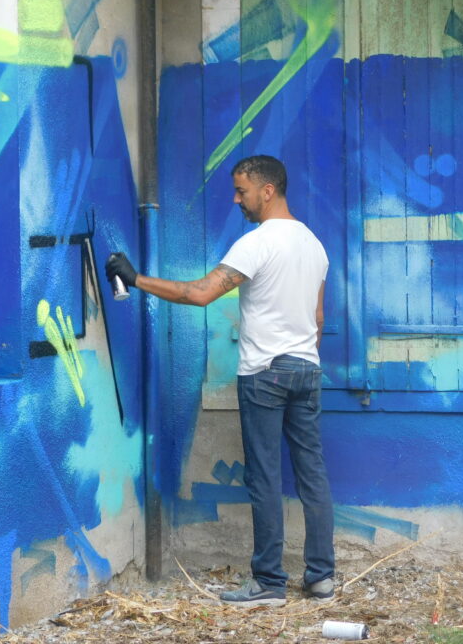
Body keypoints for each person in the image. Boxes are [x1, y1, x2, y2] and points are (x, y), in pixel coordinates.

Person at [105, 154, 334, 608]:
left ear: (267, 190)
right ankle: (321, 578)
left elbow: (199, 294)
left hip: (265, 373)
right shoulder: (314, 245)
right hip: (307, 369)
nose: (236, 200)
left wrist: (135, 278)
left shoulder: (258, 242)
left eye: (241, 191)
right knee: (313, 474)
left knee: (264, 478)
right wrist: (303, 358)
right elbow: (318, 318)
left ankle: (268, 583)